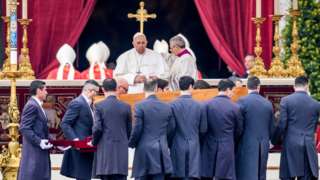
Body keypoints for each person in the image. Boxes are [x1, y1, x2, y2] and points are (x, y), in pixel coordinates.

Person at [275, 76, 320, 180]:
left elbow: (282, 124)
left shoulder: (285, 101)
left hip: (290, 145)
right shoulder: (316, 104)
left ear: (294, 87)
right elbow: (314, 126)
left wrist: (274, 140)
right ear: (307, 86)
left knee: (287, 177)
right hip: (308, 145)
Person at [129, 79, 175, 180]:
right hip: (161, 151)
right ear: (155, 88)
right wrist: (164, 141)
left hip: (143, 150)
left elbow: (137, 128)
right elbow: (171, 128)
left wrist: (132, 143)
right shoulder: (167, 106)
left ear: (143, 88)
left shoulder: (139, 106)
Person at [201, 79, 243, 180]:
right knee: (225, 175)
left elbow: (203, 128)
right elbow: (239, 130)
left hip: (209, 143)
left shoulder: (206, 105)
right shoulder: (235, 107)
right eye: (233, 90)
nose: (233, 93)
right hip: (227, 143)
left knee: (208, 175)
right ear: (228, 89)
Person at [91, 78, 132, 180]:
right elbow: (129, 130)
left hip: (105, 153)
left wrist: (94, 142)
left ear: (103, 89)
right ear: (116, 88)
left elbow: (97, 128)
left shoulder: (99, 106)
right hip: (121, 151)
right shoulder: (126, 106)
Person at [236, 76, 275, 180]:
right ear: (259, 87)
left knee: (246, 172)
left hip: (246, 143)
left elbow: (238, 125)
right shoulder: (268, 103)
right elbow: (272, 126)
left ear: (247, 86)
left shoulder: (241, 101)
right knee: (260, 174)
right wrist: (272, 140)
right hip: (263, 144)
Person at [60, 79, 100, 180]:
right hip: (80, 147)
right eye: (96, 92)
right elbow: (65, 123)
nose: (96, 94)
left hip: (87, 147)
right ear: (89, 90)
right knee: (83, 176)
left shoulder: (90, 105)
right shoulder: (77, 103)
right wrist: (75, 140)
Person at [169, 76, 207, 180]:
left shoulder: (172, 105)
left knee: (177, 175)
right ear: (190, 86)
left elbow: (170, 128)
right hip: (194, 144)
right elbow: (203, 129)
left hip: (176, 144)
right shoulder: (200, 105)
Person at [18, 80, 52, 180]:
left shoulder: (37, 105)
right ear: (38, 90)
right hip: (34, 154)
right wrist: (39, 141)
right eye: (45, 90)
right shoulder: (32, 105)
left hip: (39, 153)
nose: (47, 92)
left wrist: (53, 142)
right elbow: (24, 128)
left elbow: (41, 129)